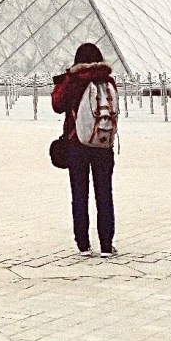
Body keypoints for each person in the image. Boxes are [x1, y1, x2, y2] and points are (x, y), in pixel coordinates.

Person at [51, 43, 118, 256]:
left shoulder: (73, 81)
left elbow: (57, 105)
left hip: (76, 144)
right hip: (103, 143)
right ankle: (106, 245)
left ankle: (83, 245)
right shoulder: (107, 80)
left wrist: (67, 77)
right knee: (104, 193)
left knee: (79, 194)